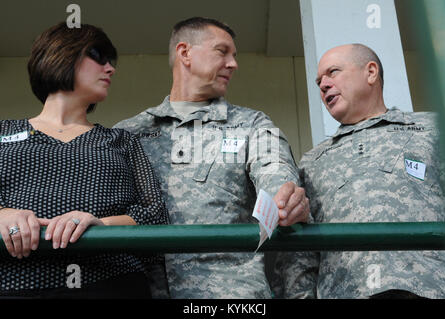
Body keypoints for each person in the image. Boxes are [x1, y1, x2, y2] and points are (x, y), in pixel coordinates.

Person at [114, 17, 310, 299]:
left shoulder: (252, 125)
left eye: (234, 56)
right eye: (222, 51)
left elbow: (275, 174)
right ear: (185, 53)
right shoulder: (128, 133)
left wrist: (286, 198)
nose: (233, 64)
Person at [0, 22, 169, 298]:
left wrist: (100, 224)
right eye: (98, 57)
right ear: (61, 54)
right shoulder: (2, 131)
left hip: (110, 284)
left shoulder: (122, 141)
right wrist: (2, 213)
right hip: (13, 283)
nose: (110, 69)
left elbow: (155, 217)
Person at [273, 43, 445, 299]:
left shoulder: (434, 128)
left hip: (431, 288)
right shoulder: (313, 161)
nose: (323, 85)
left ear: (370, 72)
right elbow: (301, 253)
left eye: (333, 72)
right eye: (319, 81)